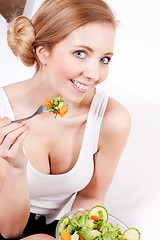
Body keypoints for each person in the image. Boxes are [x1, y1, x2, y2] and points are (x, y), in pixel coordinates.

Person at [0, 0, 131, 239]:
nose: (94, 74)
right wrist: (16, 167)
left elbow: (91, 197)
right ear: (43, 52)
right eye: (80, 53)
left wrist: (83, 233)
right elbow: (10, 231)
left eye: (105, 59)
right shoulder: (3, 114)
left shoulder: (111, 119)